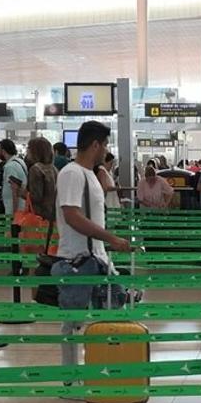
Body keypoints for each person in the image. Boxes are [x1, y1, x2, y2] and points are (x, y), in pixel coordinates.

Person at [54, 121, 132, 367]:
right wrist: (111, 238)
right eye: (105, 144)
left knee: (111, 313)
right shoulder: (71, 173)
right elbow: (72, 216)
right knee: (73, 323)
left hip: (96, 259)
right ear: (95, 144)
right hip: (77, 261)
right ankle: (72, 376)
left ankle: (102, 370)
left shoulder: (90, 174)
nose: (106, 150)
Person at [25, 137, 58, 222]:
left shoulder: (35, 169)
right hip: (52, 214)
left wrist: (21, 192)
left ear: (35, 151)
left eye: (28, 148)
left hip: (39, 216)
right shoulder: (53, 168)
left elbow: (36, 197)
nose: (27, 150)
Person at [0, 139, 27, 219]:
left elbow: (14, 190)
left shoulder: (10, 166)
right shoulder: (20, 161)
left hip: (14, 208)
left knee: (11, 231)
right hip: (21, 206)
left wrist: (14, 214)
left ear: (3, 151)